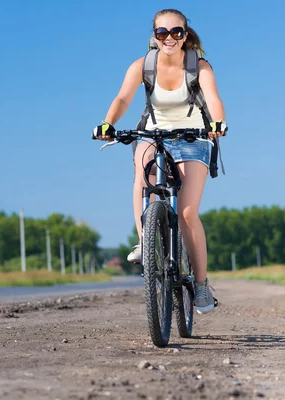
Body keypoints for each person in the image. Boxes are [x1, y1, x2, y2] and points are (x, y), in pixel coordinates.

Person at [92, 8, 227, 314]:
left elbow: (214, 99)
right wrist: (107, 122)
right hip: (153, 134)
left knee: (188, 212)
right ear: (154, 36)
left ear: (185, 34)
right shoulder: (143, 66)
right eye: (162, 32)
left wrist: (217, 123)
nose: (169, 38)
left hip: (193, 137)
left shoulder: (199, 66)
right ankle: (146, 242)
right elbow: (123, 98)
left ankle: (202, 286)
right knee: (142, 172)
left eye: (176, 32)